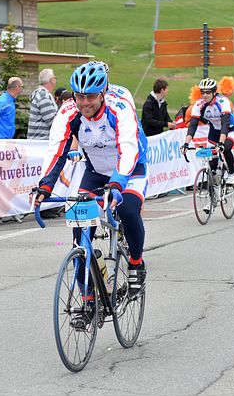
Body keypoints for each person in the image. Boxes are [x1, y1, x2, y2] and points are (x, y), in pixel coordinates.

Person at [34, 61, 149, 299]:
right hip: (96, 170)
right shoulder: (68, 112)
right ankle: (87, 296)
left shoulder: (120, 108)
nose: (85, 103)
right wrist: (45, 186)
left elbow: (128, 149)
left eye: (91, 97)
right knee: (80, 225)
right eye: (79, 96)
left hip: (129, 169)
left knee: (127, 210)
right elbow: (57, 151)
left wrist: (117, 185)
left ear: (103, 93)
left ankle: (136, 264)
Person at [182, 78, 234, 185]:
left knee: (225, 148)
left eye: (208, 92)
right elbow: (193, 124)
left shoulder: (223, 102)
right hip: (214, 131)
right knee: (212, 164)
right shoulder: (199, 104)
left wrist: (220, 143)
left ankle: (231, 174)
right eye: (203, 92)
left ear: (214, 92)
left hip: (230, 129)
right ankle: (214, 189)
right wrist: (186, 143)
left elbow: (225, 123)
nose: (205, 95)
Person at [27, 68, 58, 140]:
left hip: (40, 142)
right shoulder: (43, 96)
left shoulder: (43, 94)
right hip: (40, 143)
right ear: (51, 80)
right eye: (55, 77)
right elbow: (53, 121)